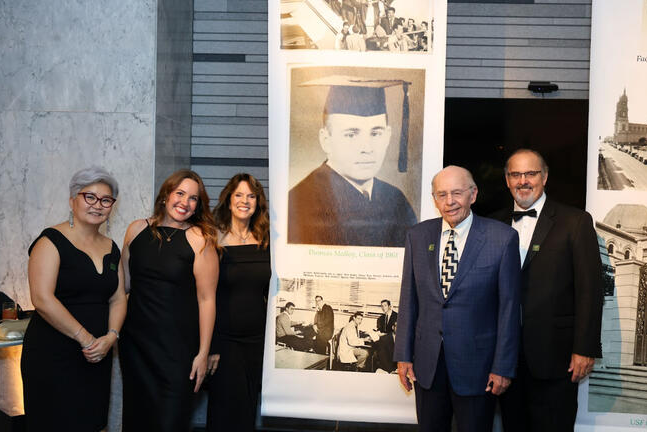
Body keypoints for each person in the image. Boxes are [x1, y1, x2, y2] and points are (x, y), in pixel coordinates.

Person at [394, 165, 521, 432]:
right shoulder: (417, 236)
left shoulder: (502, 238)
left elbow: (509, 310)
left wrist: (503, 367)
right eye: (441, 194)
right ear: (434, 199)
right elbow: (408, 301)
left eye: (457, 193)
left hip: (478, 369)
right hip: (428, 366)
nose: (449, 202)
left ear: (473, 195)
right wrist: (403, 356)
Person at [491, 149, 603, 432]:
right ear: (507, 180)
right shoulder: (492, 224)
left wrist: (584, 349)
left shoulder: (575, 222)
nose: (523, 181)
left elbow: (590, 289)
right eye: (516, 174)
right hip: (506, 360)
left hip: (557, 358)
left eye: (531, 173)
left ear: (545, 177)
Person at [22, 166, 126, 431]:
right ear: (72, 200)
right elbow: (42, 299)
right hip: (54, 354)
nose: (98, 205)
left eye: (105, 200)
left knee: (90, 423)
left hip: (97, 355)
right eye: (89, 196)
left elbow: (117, 298)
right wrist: (86, 338)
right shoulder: (51, 241)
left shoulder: (111, 247)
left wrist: (111, 336)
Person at [119, 169, 218, 432]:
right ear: (166, 195)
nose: (185, 202)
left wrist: (203, 352)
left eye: (193, 198)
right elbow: (123, 286)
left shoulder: (199, 239)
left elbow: (207, 300)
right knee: (136, 420)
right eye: (180, 193)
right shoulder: (136, 229)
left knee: (170, 422)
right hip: (136, 345)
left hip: (178, 351)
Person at [288, 76, 417, 247]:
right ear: (326, 140)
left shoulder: (396, 200)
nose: (366, 148)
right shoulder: (299, 202)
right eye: (351, 135)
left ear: (387, 136)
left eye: (375, 133)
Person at [206, 173, 271, 432]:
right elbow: (204, 296)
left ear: (258, 202)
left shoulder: (266, 240)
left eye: (251, 196)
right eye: (239, 195)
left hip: (258, 341)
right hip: (225, 341)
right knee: (224, 410)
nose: (245, 201)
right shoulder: (212, 238)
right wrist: (210, 346)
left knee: (246, 410)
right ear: (229, 200)